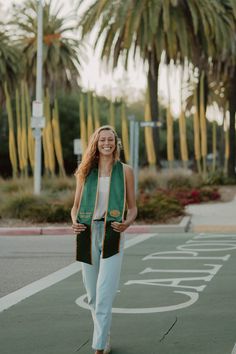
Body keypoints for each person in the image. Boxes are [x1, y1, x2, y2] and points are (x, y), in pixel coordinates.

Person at [71, 125, 137, 354]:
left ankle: (99, 346)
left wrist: (127, 223)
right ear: (96, 144)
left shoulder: (126, 171)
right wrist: (74, 221)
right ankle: (104, 335)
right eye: (102, 140)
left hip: (112, 233)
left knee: (105, 290)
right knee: (92, 295)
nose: (106, 143)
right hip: (87, 233)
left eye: (110, 139)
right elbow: (75, 207)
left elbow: (133, 208)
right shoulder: (85, 171)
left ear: (116, 143)